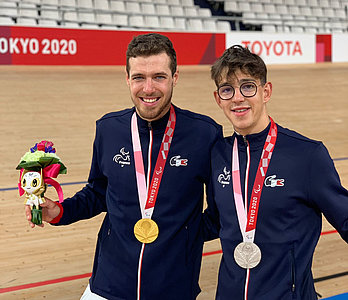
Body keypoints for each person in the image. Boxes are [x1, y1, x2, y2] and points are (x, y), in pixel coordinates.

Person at [25, 33, 222, 300]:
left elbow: (221, 213)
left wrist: (183, 239)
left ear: (175, 78)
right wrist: (60, 211)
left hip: (173, 288)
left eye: (159, 77)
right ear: (127, 79)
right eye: (139, 77)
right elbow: (97, 193)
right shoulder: (108, 128)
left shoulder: (205, 134)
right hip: (108, 284)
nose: (148, 88)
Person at [203, 45, 348, 299]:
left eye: (248, 86)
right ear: (218, 99)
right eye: (227, 90)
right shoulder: (218, 155)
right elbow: (215, 222)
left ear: (266, 91)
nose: (238, 98)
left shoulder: (307, 156)